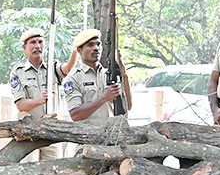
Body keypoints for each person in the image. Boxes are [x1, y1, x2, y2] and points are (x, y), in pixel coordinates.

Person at [10, 28, 70, 160]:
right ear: (25, 47)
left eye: (40, 42)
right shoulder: (18, 73)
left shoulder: (53, 68)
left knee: (52, 171)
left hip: (52, 130)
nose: (37, 46)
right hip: (29, 133)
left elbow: (67, 68)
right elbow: (20, 105)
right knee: (29, 171)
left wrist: (77, 50)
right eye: (32, 42)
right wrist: (40, 100)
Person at [64, 29, 131, 125]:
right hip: (87, 136)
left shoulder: (109, 75)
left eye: (98, 44)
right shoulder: (73, 78)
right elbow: (75, 115)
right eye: (90, 45)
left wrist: (123, 73)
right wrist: (104, 98)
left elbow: (128, 105)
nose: (96, 48)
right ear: (79, 50)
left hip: (112, 134)